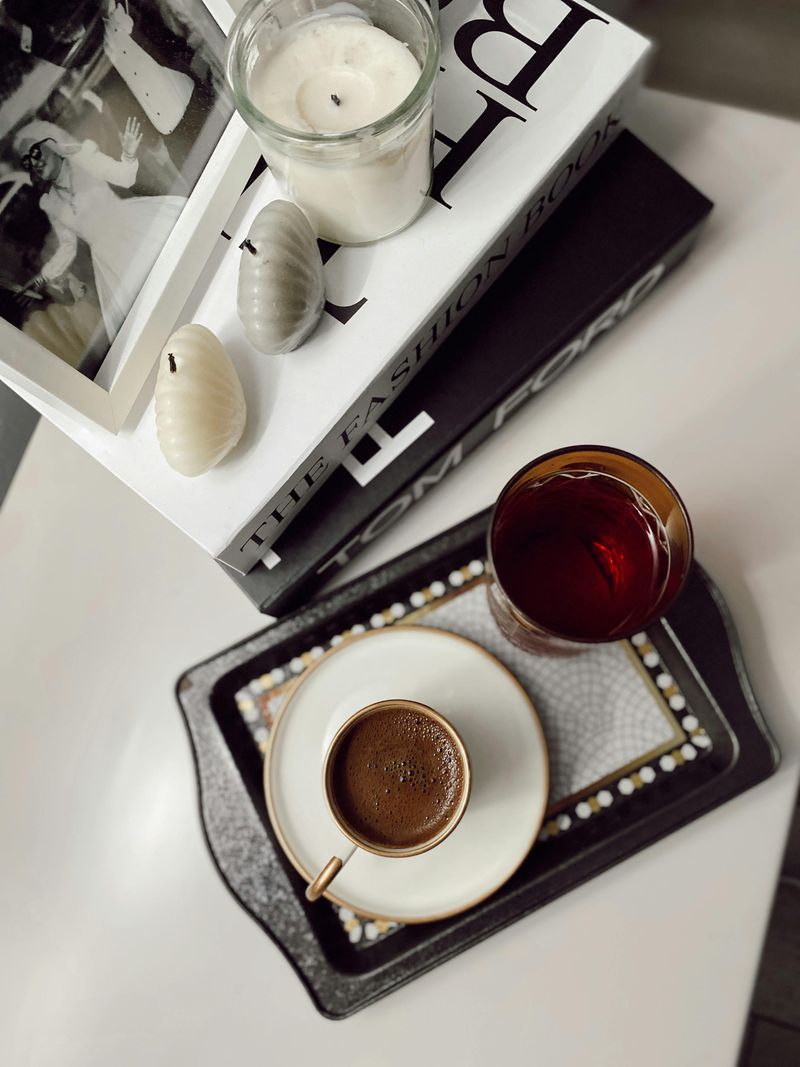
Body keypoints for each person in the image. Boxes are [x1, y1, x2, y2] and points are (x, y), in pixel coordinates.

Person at [14, 117, 186, 344]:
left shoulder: (83, 159)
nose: (34, 162)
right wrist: (41, 278)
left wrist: (128, 154)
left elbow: (124, 177)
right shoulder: (50, 203)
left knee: (178, 275)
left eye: (36, 152)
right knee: (155, 314)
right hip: (110, 262)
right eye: (27, 161)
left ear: (50, 143)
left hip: (134, 229)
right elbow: (67, 246)